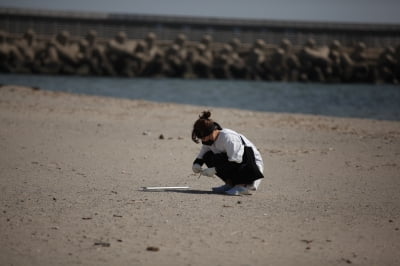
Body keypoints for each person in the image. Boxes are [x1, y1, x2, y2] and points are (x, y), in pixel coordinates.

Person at [191, 111, 264, 196]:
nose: (203, 140)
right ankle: (230, 184)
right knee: (208, 156)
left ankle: (243, 186)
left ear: (211, 132)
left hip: (251, 166)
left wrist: (215, 169)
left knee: (235, 157)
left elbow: (236, 160)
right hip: (235, 163)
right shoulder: (209, 141)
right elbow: (201, 156)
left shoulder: (228, 137)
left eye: (203, 137)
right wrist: (196, 165)